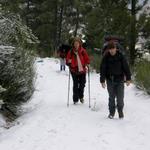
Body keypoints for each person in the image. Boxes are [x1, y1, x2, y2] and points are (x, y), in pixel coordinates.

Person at [100, 41, 131, 119]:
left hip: (120, 80)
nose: (112, 50)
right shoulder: (106, 57)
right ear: (108, 50)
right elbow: (102, 69)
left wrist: (128, 78)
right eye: (110, 49)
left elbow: (126, 67)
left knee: (120, 98)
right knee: (111, 97)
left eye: (113, 48)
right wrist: (102, 80)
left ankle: (120, 111)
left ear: (115, 48)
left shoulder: (121, 56)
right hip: (110, 80)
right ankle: (111, 113)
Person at [66, 37, 90, 104]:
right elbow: (67, 61)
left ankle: (81, 96)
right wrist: (69, 62)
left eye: (77, 43)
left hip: (82, 71)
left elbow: (87, 59)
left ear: (80, 44)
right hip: (74, 70)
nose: (76, 45)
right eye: (75, 43)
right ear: (73, 44)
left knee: (82, 85)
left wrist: (87, 63)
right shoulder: (71, 52)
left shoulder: (83, 51)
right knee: (75, 85)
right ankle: (75, 99)